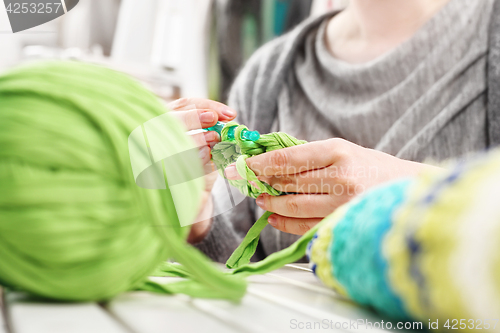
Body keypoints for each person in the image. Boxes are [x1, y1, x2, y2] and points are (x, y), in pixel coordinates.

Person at [170, 0, 500, 262]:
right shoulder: (266, 77)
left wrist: (414, 195)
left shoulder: (489, 35)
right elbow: (247, 276)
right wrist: (199, 224)